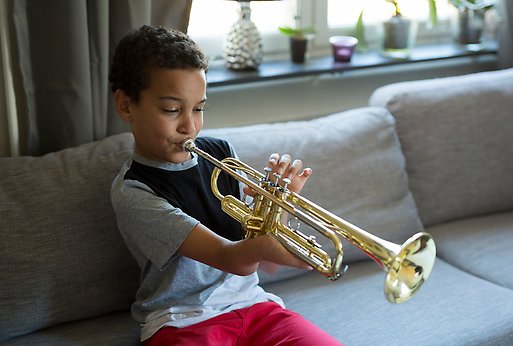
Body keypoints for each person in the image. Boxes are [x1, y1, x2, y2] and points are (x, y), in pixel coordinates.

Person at [109, 25, 342, 345]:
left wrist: (279, 206)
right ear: (126, 106)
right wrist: (264, 244)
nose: (189, 126)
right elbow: (230, 256)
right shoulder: (133, 191)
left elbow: (268, 266)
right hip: (181, 322)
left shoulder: (221, 154)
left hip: (255, 308)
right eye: (171, 109)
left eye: (199, 108)